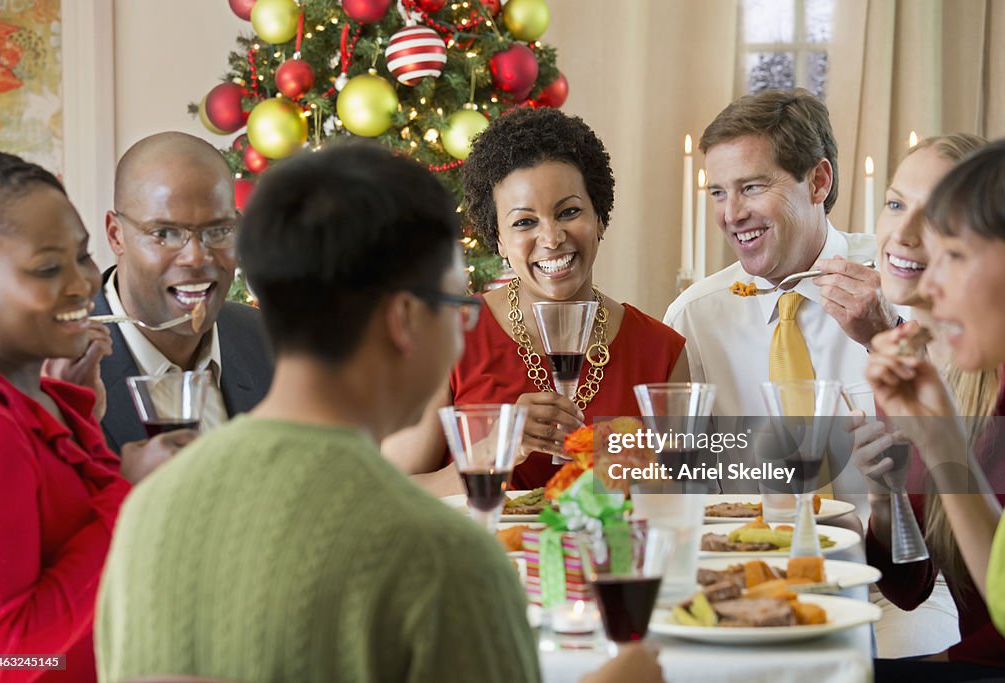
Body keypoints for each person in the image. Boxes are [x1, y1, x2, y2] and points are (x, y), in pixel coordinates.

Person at [95, 142, 666, 683]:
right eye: (456, 306)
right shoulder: (441, 557)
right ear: (404, 320)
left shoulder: (147, 508)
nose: (466, 328)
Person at [384, 107, 688, 494]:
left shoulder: (662, 352)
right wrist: (493, 451)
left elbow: (682, 496)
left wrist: (637, 473)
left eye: (570, 212)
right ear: (498, 240)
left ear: (600, 218)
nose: (551, 238)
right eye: (524, 222)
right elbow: (387, 492)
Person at [0, 151, 186, 683]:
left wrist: (78, 411)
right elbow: (3, 660)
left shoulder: (45, 403)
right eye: (48, 267)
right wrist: (130, 495)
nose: (83, 285)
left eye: (82, 257)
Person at [850, 135, 1003, 664]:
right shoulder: (917, 367)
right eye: (895, 203)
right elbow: (910, 584)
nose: (904, 234)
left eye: (952, 245)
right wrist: (884, 497)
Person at [664, 89, 898, 418]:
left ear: (818, 181)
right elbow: (680, 465)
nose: (731, 215)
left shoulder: (901, 286)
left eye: (752, 187)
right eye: (718, 192)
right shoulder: (694, 318)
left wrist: (888, 336)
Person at [55, 132, 272, 452]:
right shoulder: (57, 365)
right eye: (165, 233)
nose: (197, 257)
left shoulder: (268, 342)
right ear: (116, 236)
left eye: (218, 231)